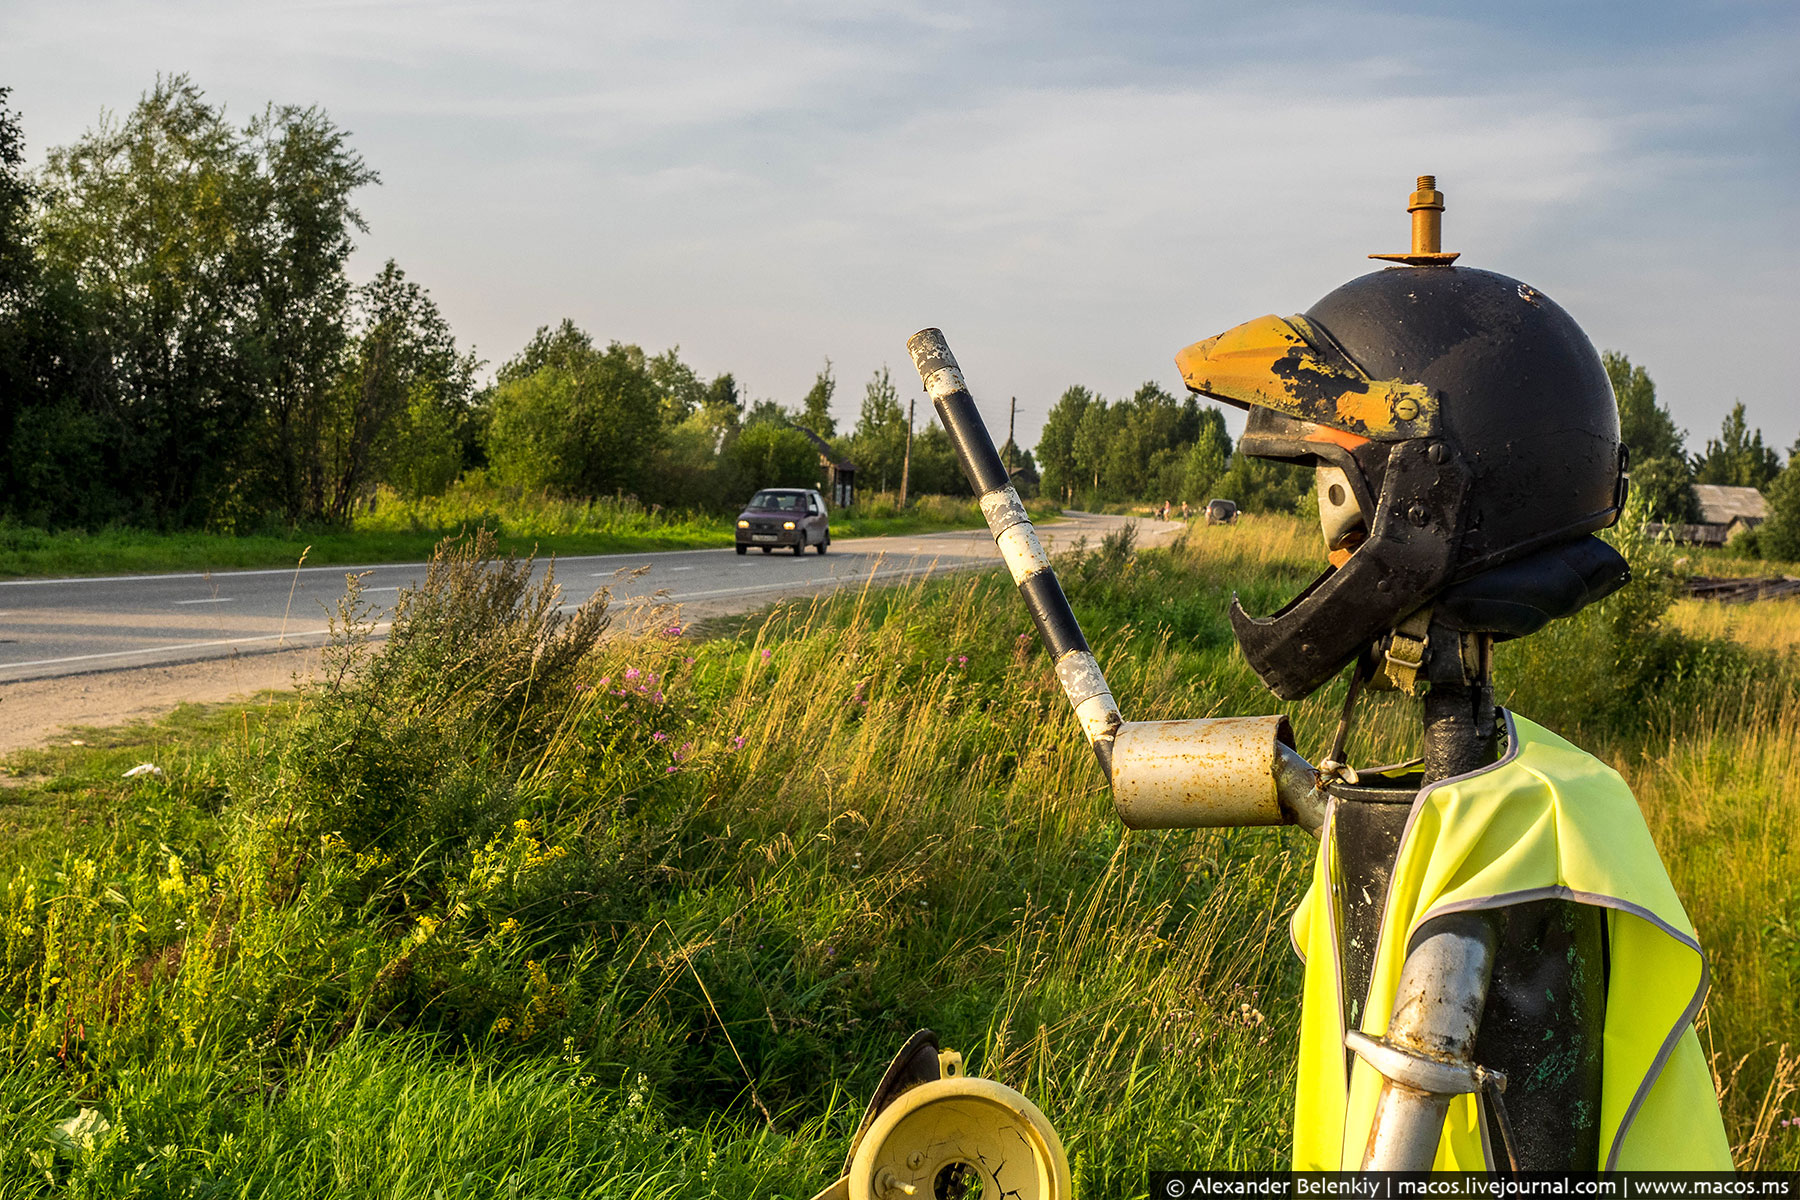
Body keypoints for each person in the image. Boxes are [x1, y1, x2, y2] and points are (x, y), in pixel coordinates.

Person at [1173, 178, 1730, 1170]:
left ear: (1422, 502)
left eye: (1329, 484)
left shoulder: (1496, 864)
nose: (1325, 528)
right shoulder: (1550, 797)